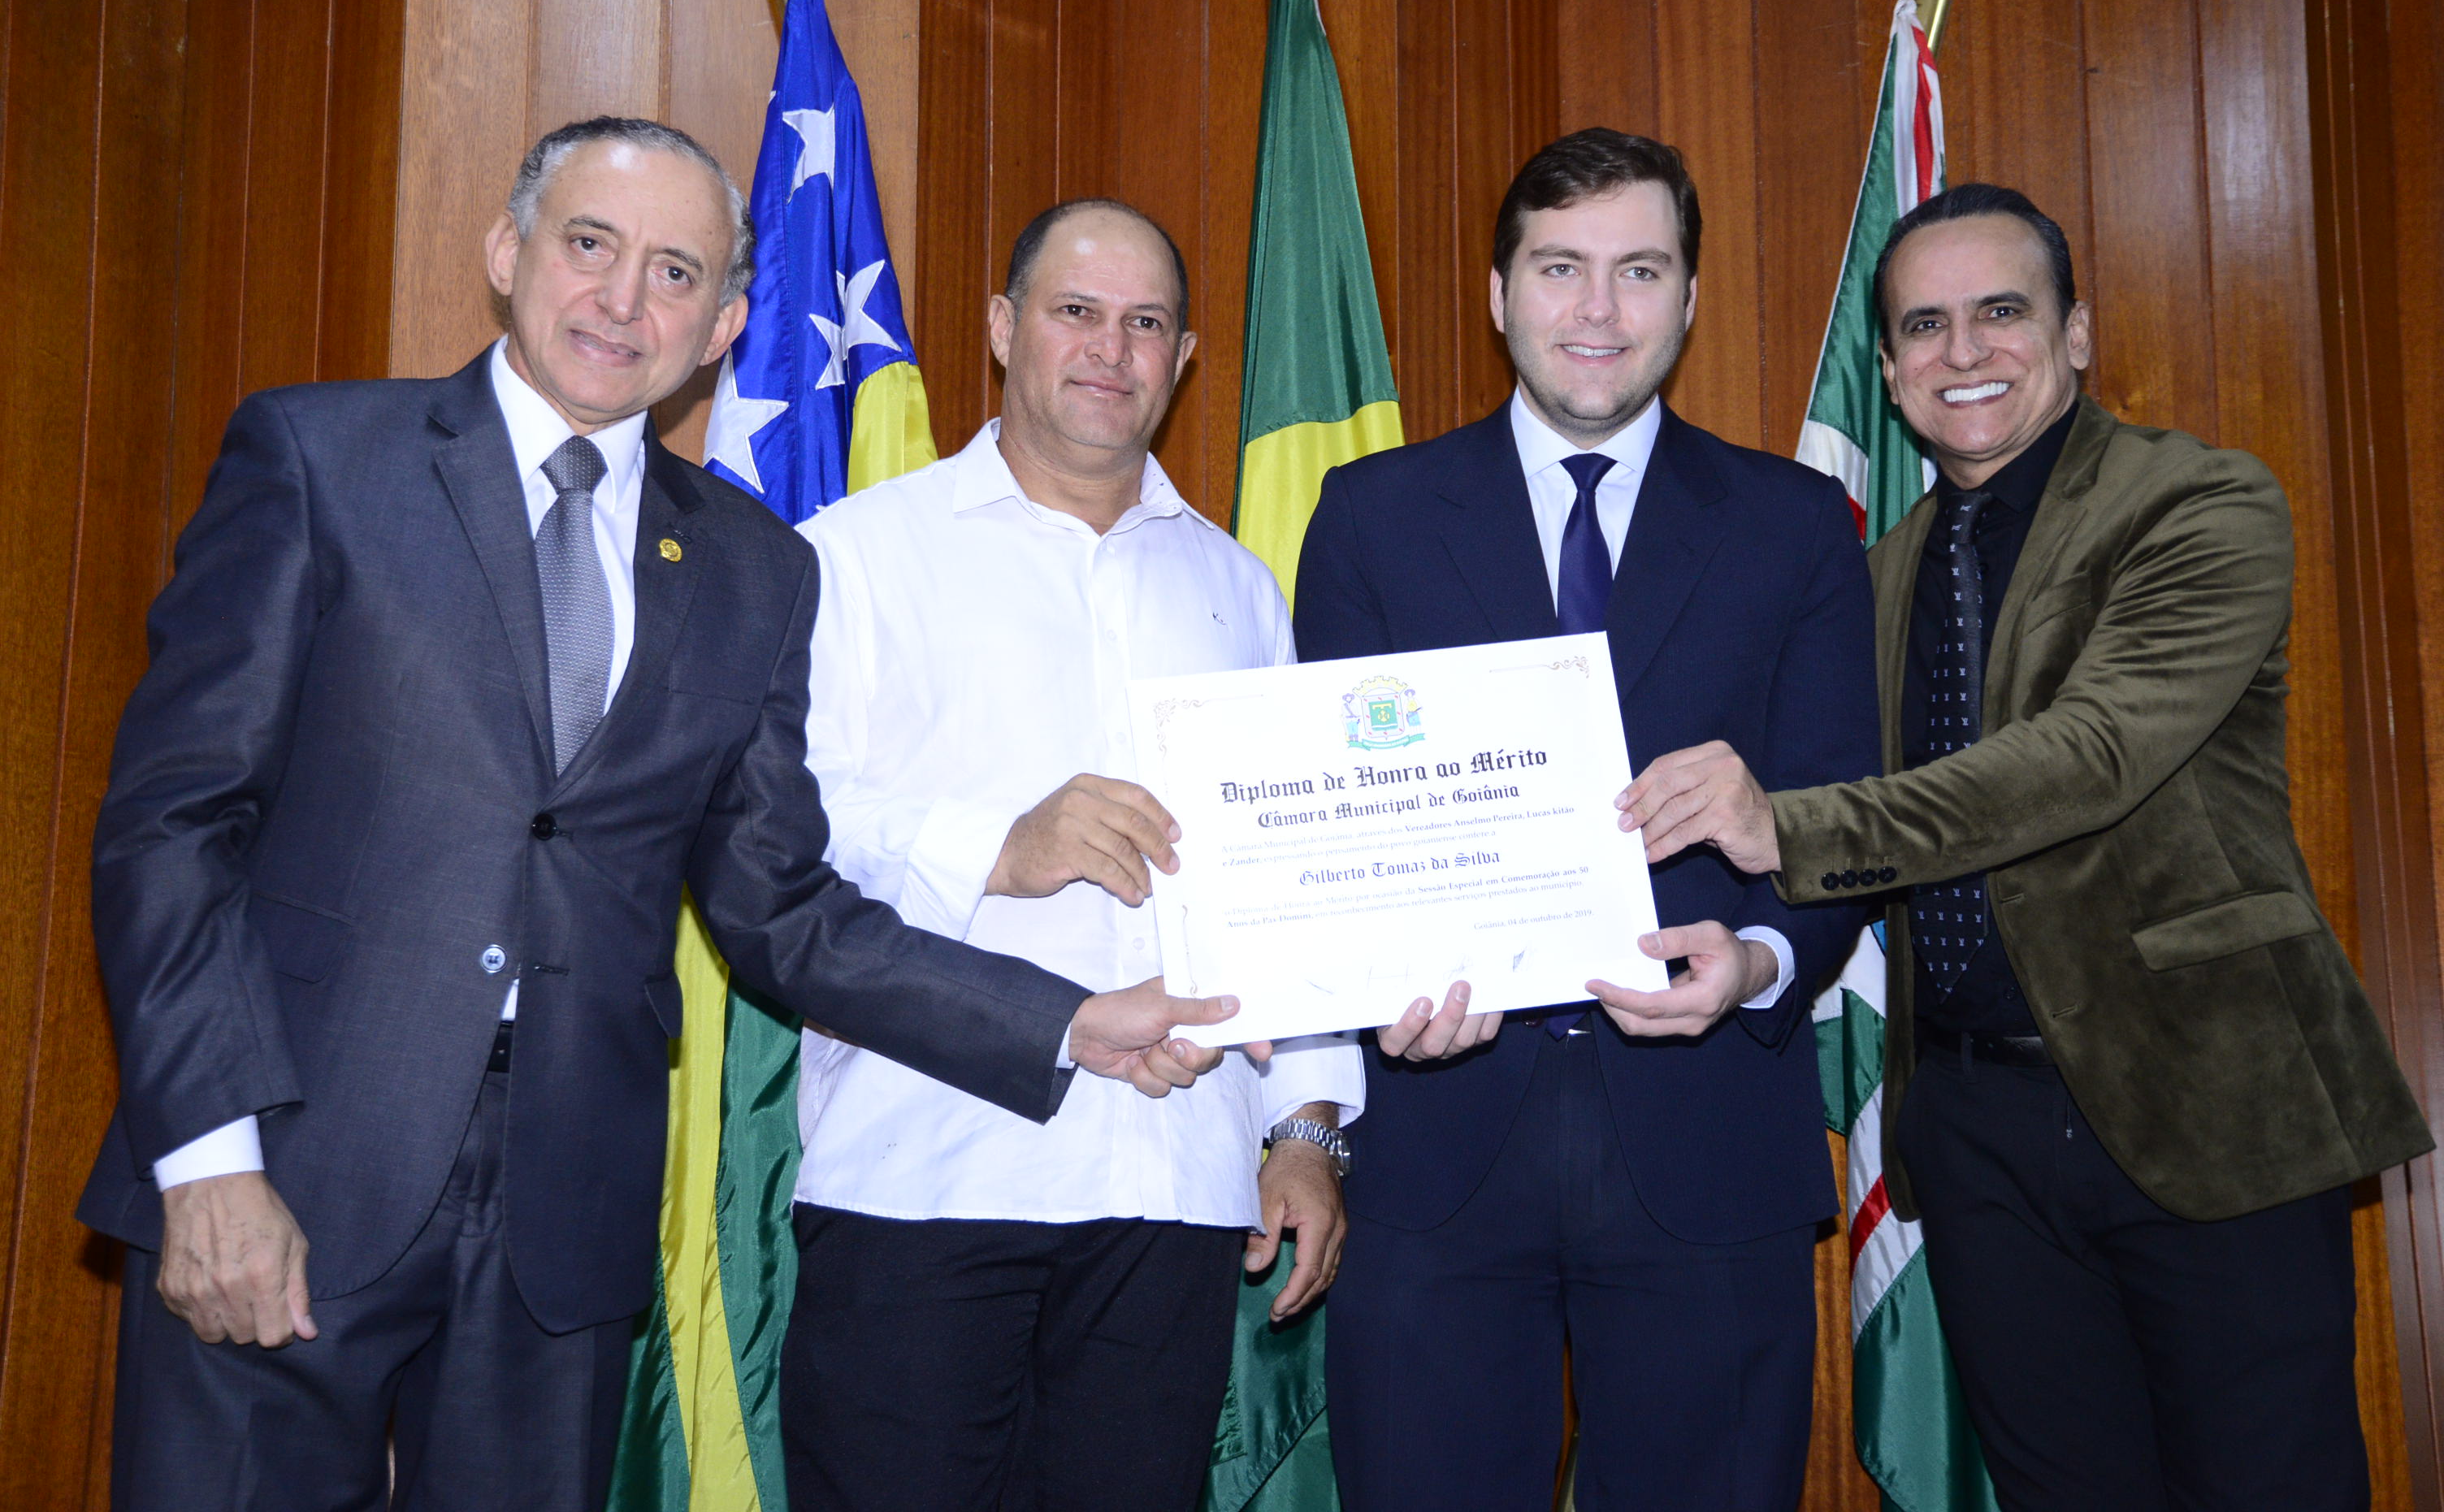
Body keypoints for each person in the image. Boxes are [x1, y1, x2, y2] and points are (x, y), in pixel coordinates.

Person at [78, 119, 1240, 1512]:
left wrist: (1060, 1022)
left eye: (677, 273)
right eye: (591, 245)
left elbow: (780, 909)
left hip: (563, 1220)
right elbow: (173, 824)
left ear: (725, 326)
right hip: (289, 1162)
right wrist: (208, 1157)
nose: (625, 300)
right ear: (507, 252)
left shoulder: (753, 569)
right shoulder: (324, 458)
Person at [1620, 181, 2433, 1511]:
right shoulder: (1870, 577)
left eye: (2002, 311)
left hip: (2203, 1095)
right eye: (1924, 327)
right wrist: (1730, 934)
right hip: (1974, 1128)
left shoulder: (2200, 503)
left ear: (2076, 333)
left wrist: (1788, 825)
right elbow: (1807, 778)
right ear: (1890, 374)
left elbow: (2087, 758)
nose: (1965, 351)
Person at [1293, 128, 1880, 1511]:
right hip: (1437, 1148)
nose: (1599, 309)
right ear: (1500, 294)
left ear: (1689, 297)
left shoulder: (1797, 524)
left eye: (1640, 271)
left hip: (1710, 1143)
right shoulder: (1371, 517)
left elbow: (1843, 811)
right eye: (1560, 269)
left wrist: (1759, 961)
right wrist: (1383, 978)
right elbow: (1335, 826)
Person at [778, 197, 1365, 1512]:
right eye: (1077, 312)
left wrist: (1307, 1127)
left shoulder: (1238, 587)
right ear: (1003, 328)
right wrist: (999, 846)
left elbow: (1297, 877)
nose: (1112, 348)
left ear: (1186, 357)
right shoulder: (858, 555)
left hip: (1175, 1187)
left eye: (1146, 322)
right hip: (925, 1173)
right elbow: (780, 837)